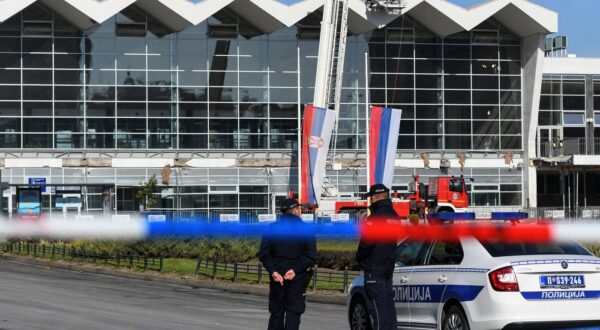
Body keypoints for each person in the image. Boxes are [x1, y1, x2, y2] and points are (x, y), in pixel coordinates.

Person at [259, 198, 317, 330]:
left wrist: (273, 271)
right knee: (293, 315)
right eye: (299, 209)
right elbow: (310, 256)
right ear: (295, 210)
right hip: (297, 278)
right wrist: (295, 270)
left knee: (276, 314)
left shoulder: (271, 228)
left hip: (277, 278)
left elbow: (264, 254)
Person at [356, 184, 399, 330]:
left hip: (374, 268)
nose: (370, 200)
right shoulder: (394, 216)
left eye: (371, 197)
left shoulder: (374, 218)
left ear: (376, 198)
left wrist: (359, 258)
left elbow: (367, 243)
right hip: (388, 268)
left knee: (377, 309)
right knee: (388, 307)